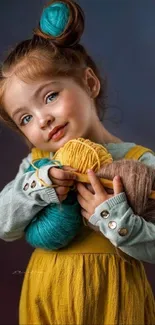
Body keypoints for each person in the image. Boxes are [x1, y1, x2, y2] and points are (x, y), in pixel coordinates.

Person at [0, 0, 155, 324]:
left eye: (50, 96)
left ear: (89, 83)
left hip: (113, 296)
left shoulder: (138, 162)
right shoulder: (40, 163)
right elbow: (5, 226)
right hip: (47, 292)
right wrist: (39, 186)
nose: (42, 119)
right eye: (25, 117)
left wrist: (115, 219)